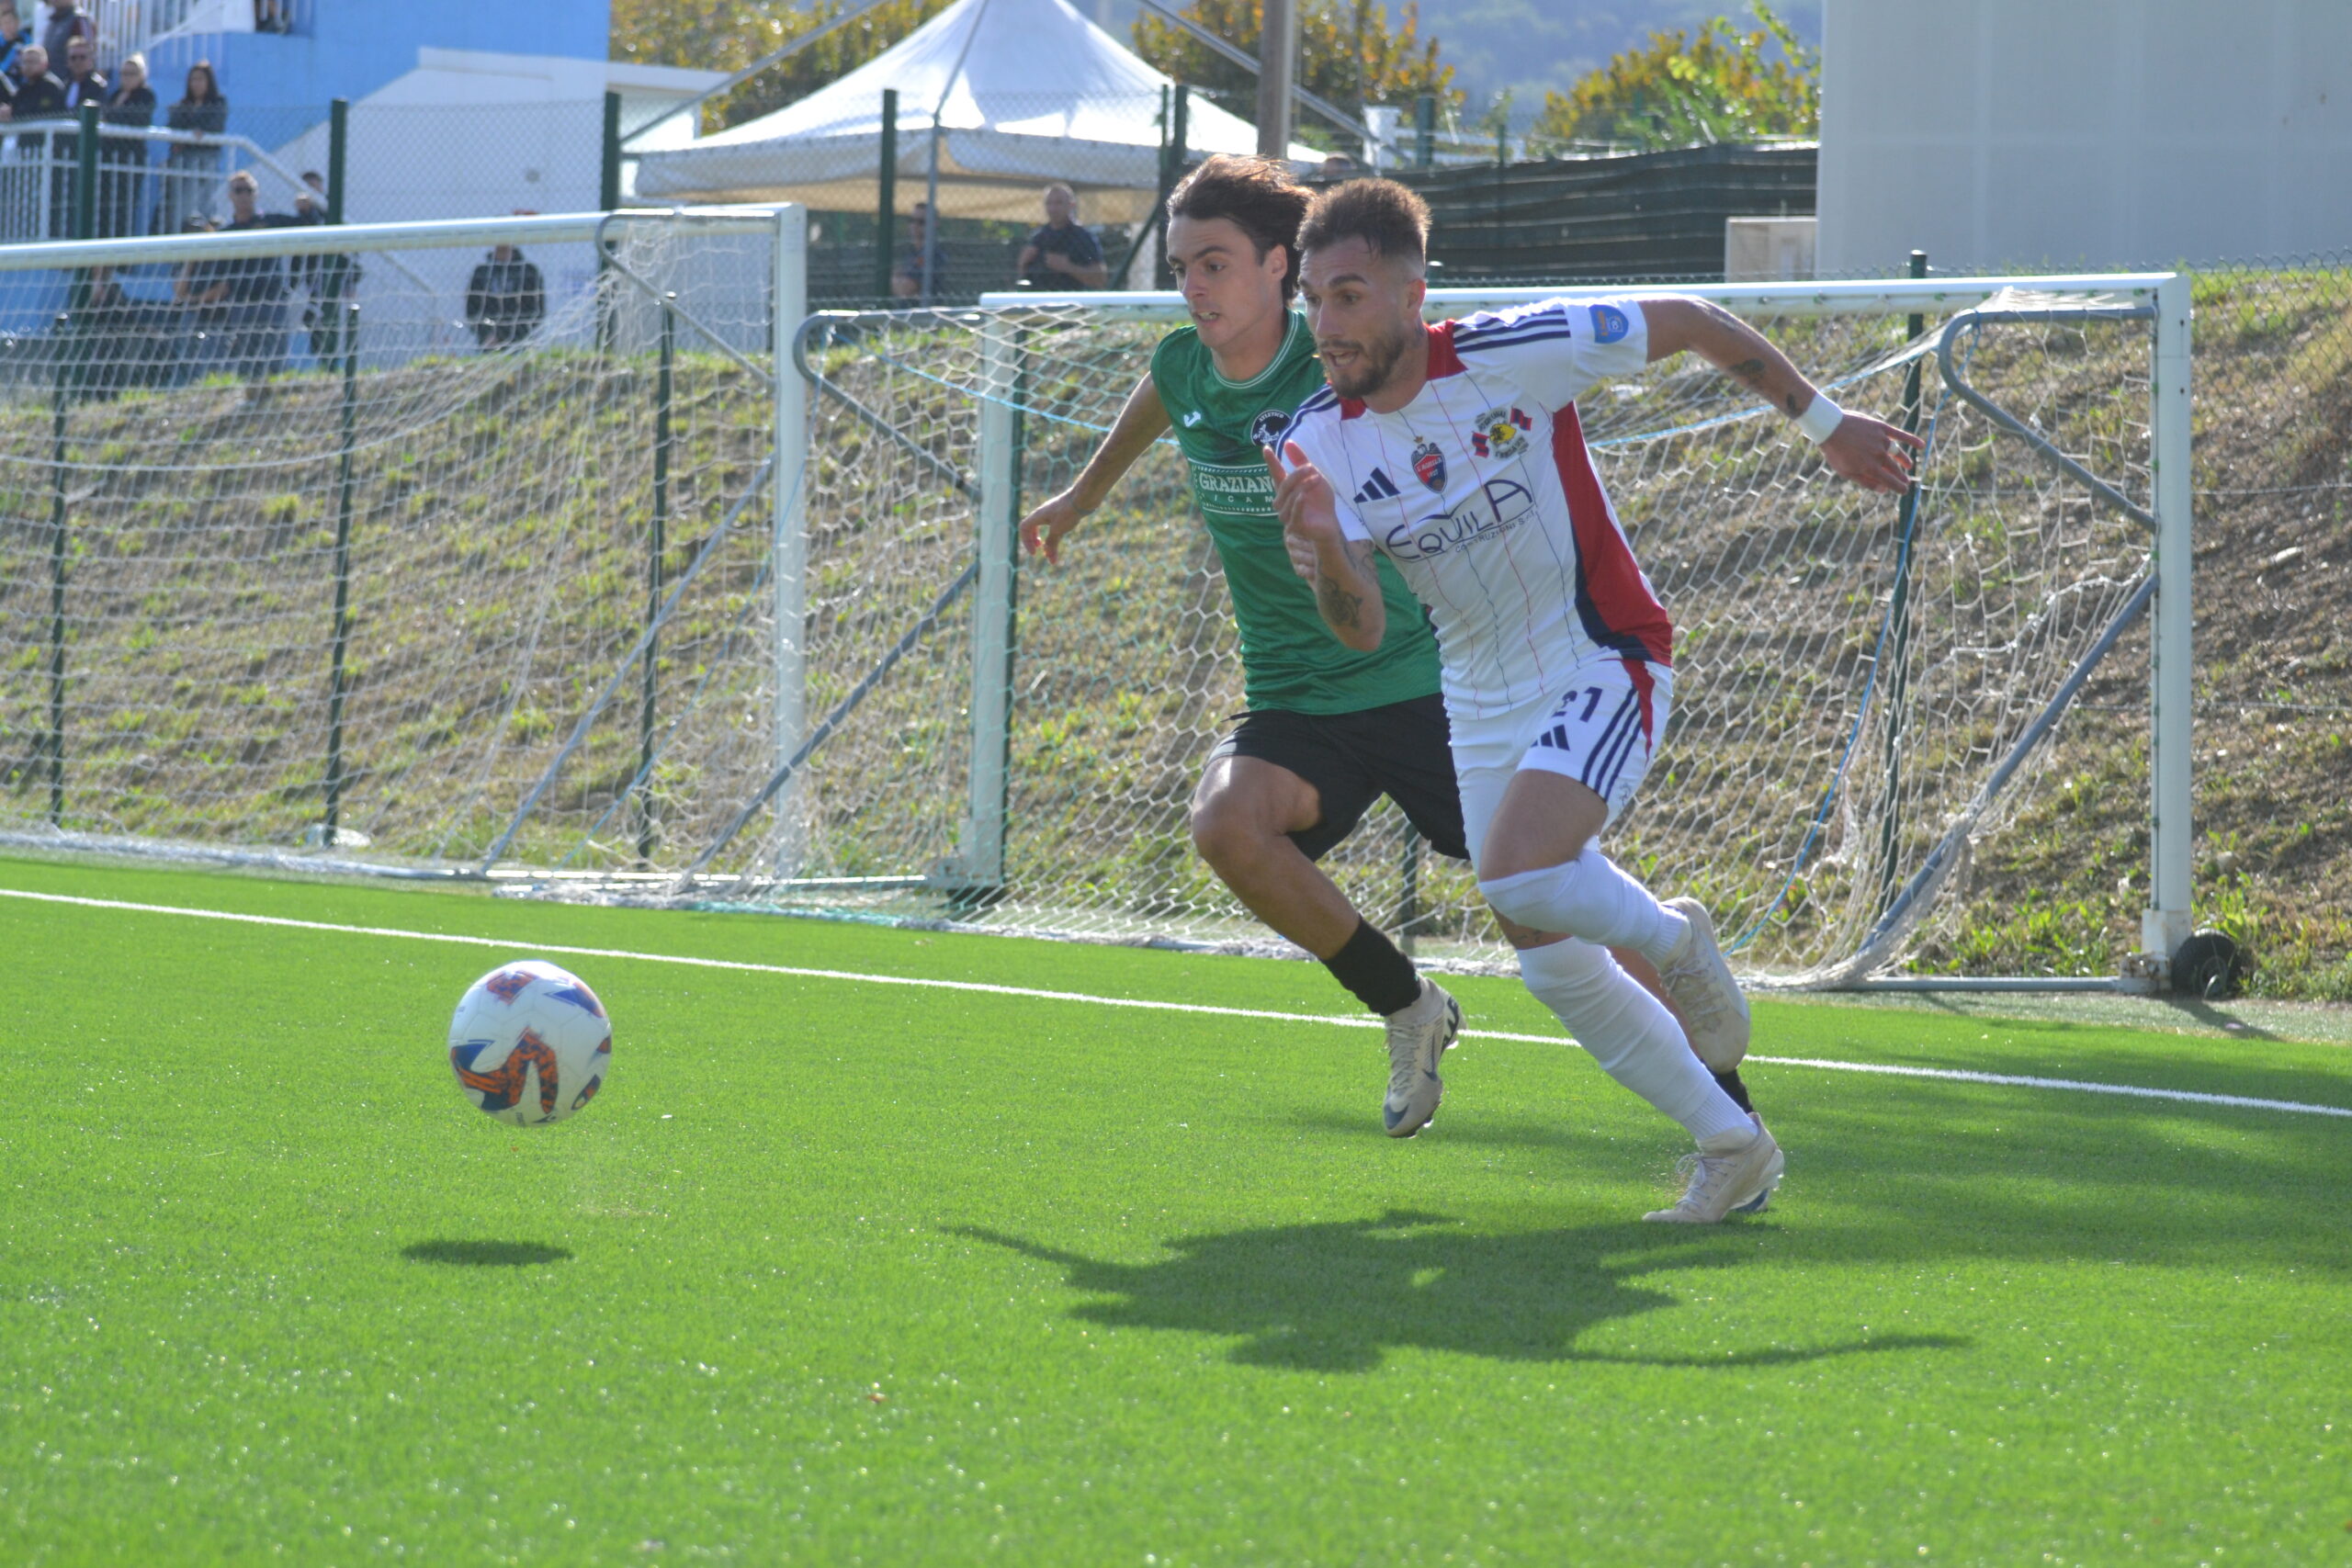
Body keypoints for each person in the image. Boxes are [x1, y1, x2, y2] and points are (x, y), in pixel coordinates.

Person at [1016, 154, 1763, 1148]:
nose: (1192, 286)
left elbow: (1433, 371)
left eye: (1214, 264)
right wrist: (1082, 495)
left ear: (1279, 269)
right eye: (1181, 267)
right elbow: (1163, 399)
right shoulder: (1184, 364)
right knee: (1227, 825)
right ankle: (1408, 1004)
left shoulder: (1337, 358)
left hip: (1422, 683)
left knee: (1543, 901)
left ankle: (1729, 1103)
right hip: (1295, 693)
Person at [1272, 179, 1921, 1222]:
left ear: (1412, 293)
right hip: (1476, 696)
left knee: (1518, 872)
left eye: (1348, 295)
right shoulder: (1317, 440)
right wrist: (1322, 549)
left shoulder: (1513, 351)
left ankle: (1673, 939)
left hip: (1603, 653)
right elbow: (1363, 629)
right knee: (1546, 963)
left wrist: (1824, 421)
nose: (1325, 323)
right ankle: (1734, 1147)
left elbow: (1693, 320)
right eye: (1312, 299)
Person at [190, 169, 292, 395]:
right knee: (247, 357)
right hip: (242, 304)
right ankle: (251, 398)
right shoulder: (228, 233)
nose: (244, 195)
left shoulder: (271, 222)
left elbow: (308, 224)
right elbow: (218, 274)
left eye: (249, 190)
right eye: (238, 190)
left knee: (275, 355)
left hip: (272, 300)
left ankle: (278, 399)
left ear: (256, 194)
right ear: (230, 195)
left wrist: (309, 208)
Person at [156, 59, 224, 236]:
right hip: (183, 165)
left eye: (201, 79)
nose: (196, 83)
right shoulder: (183, 105)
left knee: (205, 206)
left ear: (209, 82)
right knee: (181, 208)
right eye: (193, 79)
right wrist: (191, 134)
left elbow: (212, 127)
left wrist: (190, 135)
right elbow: (174, 126)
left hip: (205, 165)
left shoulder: (217, 103)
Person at [97, 50, 152, 238]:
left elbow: (136, 120)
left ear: (142, 75)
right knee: (105, 205)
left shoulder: (145, 95)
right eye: (123, 73)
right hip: (109, 156)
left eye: (132, 73)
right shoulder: (115, 95)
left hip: (130, 158)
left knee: (124, 205)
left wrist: (112, 118)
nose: (127, 78)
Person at [1014, 183, 1107, 291]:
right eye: (1049, 203)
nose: (1053, 208)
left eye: (1059, 203)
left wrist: (1068, 267)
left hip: (1072, 298)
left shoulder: (1083, 237)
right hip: (1040, 297)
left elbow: (1100, 279)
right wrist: (1022, 263)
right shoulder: (1038, 237)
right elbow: (1022, 276)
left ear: (1071, 205)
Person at [464, 241, 545, 349]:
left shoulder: (528, 272)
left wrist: (509, 335)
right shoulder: (482, 272)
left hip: (521, 340)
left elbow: (536, 310)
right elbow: (472, 309)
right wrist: (486, 334)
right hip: (489, 340)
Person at [888, 199, 945, 301]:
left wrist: (893, 279)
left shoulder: (935, 254)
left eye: (921, 222)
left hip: (927, 310)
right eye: (911, 220)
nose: (914, 225)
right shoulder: (912, 253)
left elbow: (905, 289)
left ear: (935, 224)